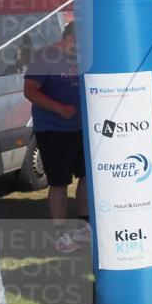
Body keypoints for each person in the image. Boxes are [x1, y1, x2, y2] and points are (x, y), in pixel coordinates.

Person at [23, 22, 90, 254]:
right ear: (71, 37)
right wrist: (59, 108)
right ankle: (60, 235)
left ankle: (84, 225)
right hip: (53, 130)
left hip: (82, 128)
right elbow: (30, 90)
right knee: (59, 182)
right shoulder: (46, 56)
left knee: (86, 175)